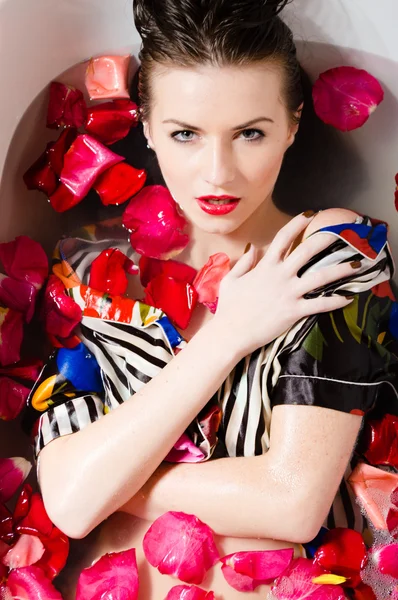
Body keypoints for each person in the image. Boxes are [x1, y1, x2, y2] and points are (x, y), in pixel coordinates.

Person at [21, 0, 398, 597]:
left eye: (250, 133)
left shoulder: (327, 251)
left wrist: (114, 485)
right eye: (185, 134)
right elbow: (66, 506)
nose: (218, 174)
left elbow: (292, 503)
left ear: (294, 125)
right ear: (145, 127)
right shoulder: (91, 268)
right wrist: (230, 333)